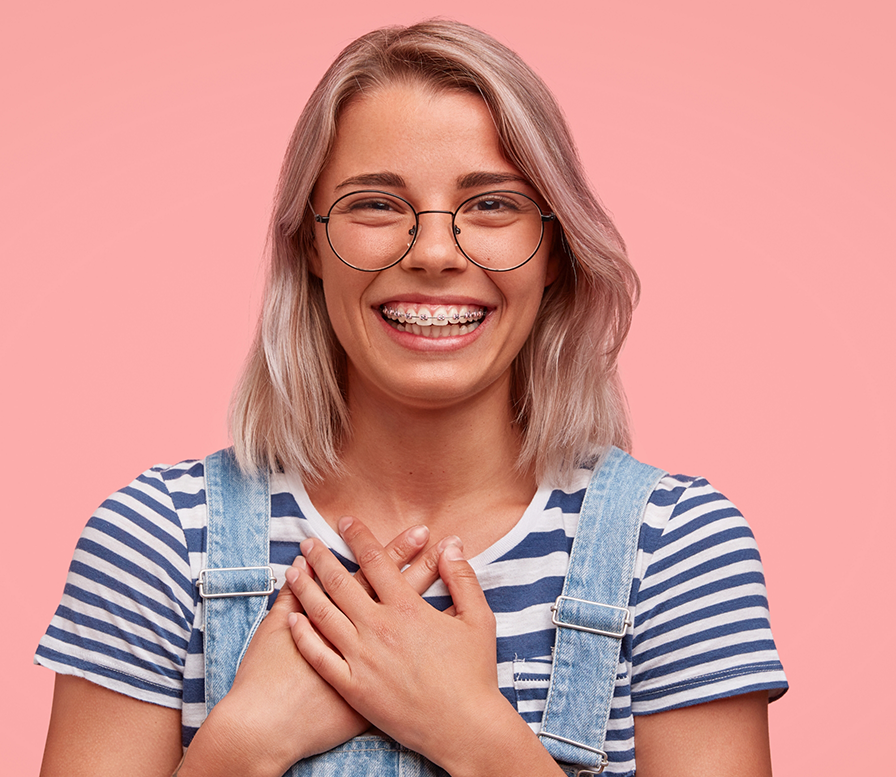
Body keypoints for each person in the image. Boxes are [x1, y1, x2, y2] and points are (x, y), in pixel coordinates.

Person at [36, 20, 788, 777]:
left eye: (493, 205)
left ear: (557, 247)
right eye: (375, 205)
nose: (434, 252)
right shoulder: (158, 541)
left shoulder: (676, 549)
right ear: (309, 245)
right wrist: (246, 741)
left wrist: (470, 731)